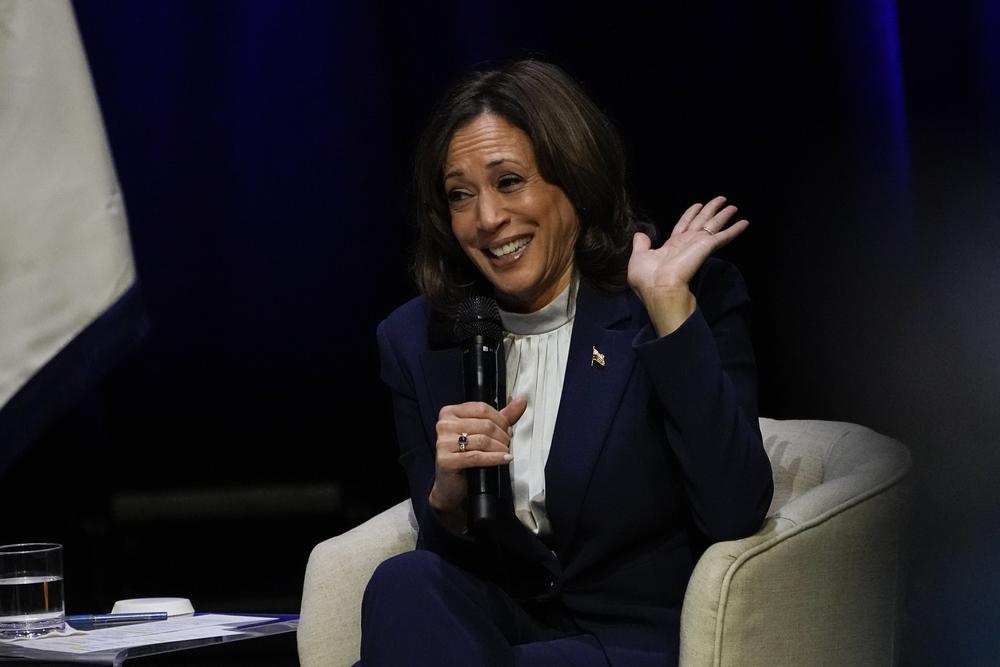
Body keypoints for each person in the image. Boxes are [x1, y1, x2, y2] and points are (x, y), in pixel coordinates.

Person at [359, 59, 773, 667]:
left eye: (509, 181)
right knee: (404, 581)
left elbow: (735, 508)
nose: (488, 220)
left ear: (574, 180)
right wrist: (446, 504)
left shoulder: (680, 297)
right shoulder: (418, 339)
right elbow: (446, 574)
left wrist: (669, 315)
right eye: (460, 196)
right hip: (493, 636)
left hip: (630, 641)